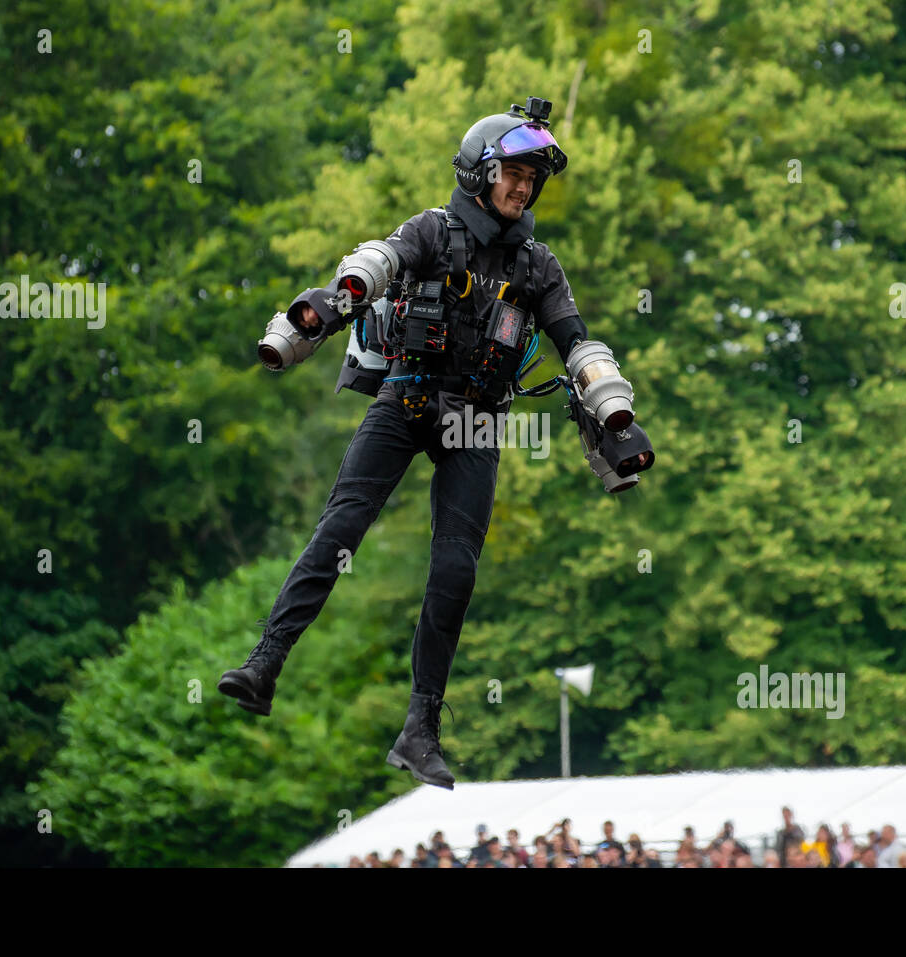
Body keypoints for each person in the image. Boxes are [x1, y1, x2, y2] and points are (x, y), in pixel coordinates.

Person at [217, 96, 632, 792]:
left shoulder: (538, 265)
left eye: (534, 180)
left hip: (475, 423)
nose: (524, 189)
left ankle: (420, 730)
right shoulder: (431, 232)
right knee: (340, 530)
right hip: (405, 399)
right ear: (480, 170)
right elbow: (378, 262)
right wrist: (335, 296)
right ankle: (264, 665)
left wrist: (608, 396)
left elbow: (574, 337)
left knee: (455, 571)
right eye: (515, 174)